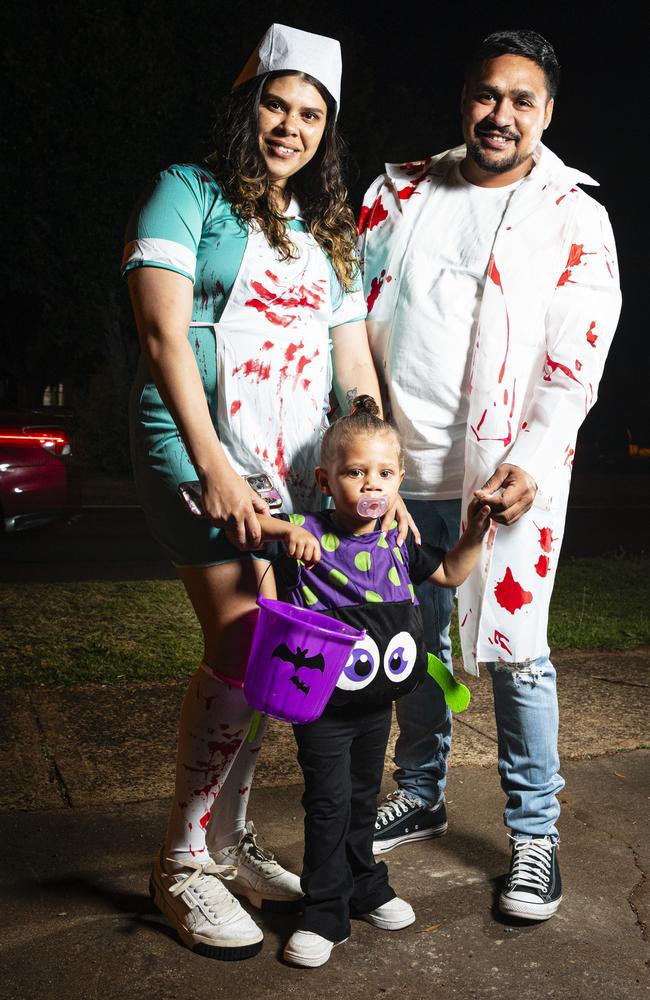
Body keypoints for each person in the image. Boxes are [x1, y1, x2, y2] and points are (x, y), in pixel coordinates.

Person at [122, 24, 394, 961]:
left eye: (312, 113)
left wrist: (374, 473)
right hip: (197, 448)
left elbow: (352, 367)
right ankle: (182, 862)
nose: (292, 125)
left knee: (276, 665)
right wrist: (214, 464)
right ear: (249, 107)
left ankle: (226, 842)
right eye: (277, 104)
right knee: (243, 641)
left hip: (290, 471)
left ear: (329, 130)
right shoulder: (184, 191)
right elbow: (162, 340)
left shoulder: (327, 234)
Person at [359, 29, 621, 920]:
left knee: (518, 656)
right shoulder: (396, 194)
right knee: (417, 644)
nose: (499, 114)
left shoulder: (575, 214)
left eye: (521, 99)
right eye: (485, 94)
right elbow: (350, 321)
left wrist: (533, 463)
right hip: (395, 475)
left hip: (505, 478)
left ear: (546, 113)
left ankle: (536, 837)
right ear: (463, 100)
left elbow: (574, 362)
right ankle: (422, 790)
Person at [250, 395, 491, 966]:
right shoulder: (309, 539)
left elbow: (454, 571)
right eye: (355, 472)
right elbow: (234, 525)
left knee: (361, 800)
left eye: (384, 473)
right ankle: (325, 912)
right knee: (329, 805)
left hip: (376, 703)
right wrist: (285, 533)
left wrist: (477, 528)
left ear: (400, 479)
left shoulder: (399, 545)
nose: (370, 485)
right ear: (326, 480)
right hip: (324, 707)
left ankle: (365, 886)